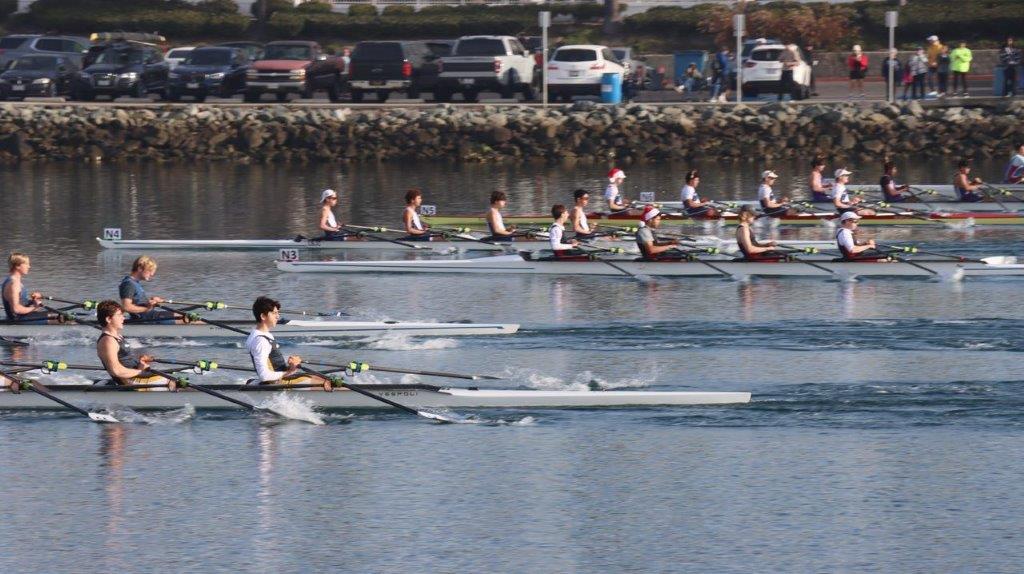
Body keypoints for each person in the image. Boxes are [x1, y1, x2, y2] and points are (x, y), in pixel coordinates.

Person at [246, 296, 331, 390]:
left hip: (280, 379)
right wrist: (289, 371)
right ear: (263, 316)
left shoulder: (262, 335)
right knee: (332, 385)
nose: (278, 316)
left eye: (278, 313)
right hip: (279, 383)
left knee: (320, 377)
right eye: (274, 313)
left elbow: (273, 363)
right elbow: (264, 376)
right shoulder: (261, 341)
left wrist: (291, 366)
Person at [95, 300, 165, 388]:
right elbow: (116, 371)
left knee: (179, 380)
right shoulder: (108, 341)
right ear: (108, 319)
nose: (123, 318)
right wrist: (140, 371)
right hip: (130, 381)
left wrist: (140, 361)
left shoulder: (118, 336)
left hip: (136, 376)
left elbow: (125, 359)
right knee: (175, 384)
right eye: (119, 315)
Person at [118, 256, 179, 324]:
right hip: (146, 318)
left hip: (150, 315)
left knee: (186, 315)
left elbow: (137, 302)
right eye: (150, 271)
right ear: (140, 268)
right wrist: (147, 309)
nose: (152, 274)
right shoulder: (128, 284)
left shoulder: (134, 283)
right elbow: (126, 307)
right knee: (189, 318)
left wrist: (151, 302)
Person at [2, 253, 56, 324]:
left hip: (23, 317)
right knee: (65, 318)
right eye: (26, 264)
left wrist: (33, 300)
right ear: (17, 266)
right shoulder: (14, 284)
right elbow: (16, 309)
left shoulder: (13, 280)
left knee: (68, 315)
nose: (29, 266)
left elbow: (21, 303)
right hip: (19, 320)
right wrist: (34, 307)